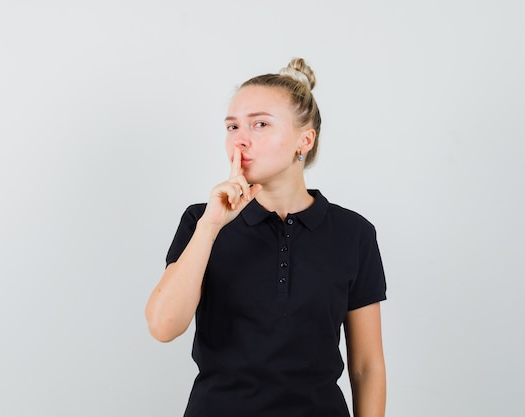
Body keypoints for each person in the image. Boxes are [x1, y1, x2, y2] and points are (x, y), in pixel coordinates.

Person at [145, 58, 387, 417]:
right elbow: (163, 327)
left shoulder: (354, 233)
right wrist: (212, 226)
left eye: (260, 124)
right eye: (232, 126)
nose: (240, 139)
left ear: (304, 140)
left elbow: (367, 366)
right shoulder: (201, 220)